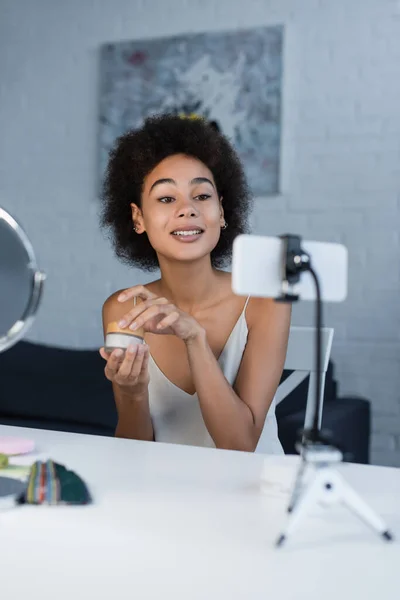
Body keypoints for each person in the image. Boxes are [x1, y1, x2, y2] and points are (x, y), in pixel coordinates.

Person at [99, 114, 291, 453]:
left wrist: (194, 338)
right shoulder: (123, 308)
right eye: (166, 198)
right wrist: (132, 395)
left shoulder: (266, 300)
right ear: (138, 218)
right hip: (167, 496)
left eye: (202, 196)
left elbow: (239, 446)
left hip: (253, 496)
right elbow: (131, 454)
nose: (187, 210)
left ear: (222, 210)